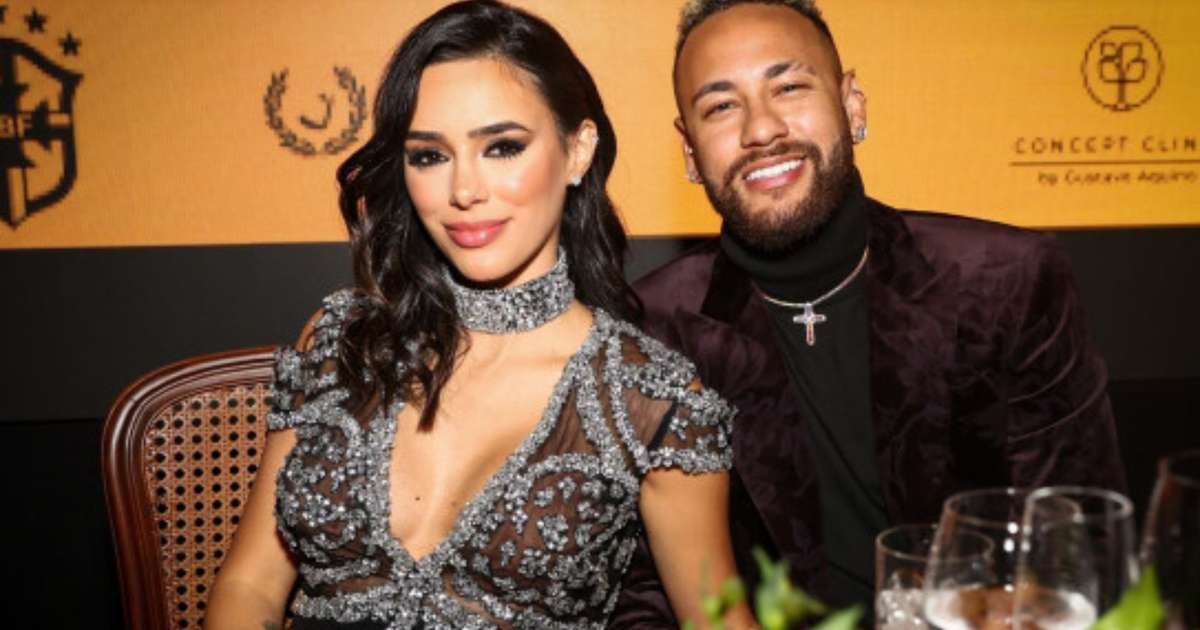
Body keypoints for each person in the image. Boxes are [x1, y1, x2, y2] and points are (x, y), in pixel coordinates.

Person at [204, 2, 756, 629]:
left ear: (578, 151)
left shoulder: (654, 404)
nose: (464, 191)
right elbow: (249, 585)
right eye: (430, 156)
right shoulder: (342, 342)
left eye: (502, 147)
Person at [609, 0, 1128, 624]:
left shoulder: (1006, 281)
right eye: (721, 106)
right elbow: (640, 593)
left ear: (852, 104)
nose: (761, 129)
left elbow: (1076, 543)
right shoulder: (650, 329)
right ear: (690, 151)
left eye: (789, 87)